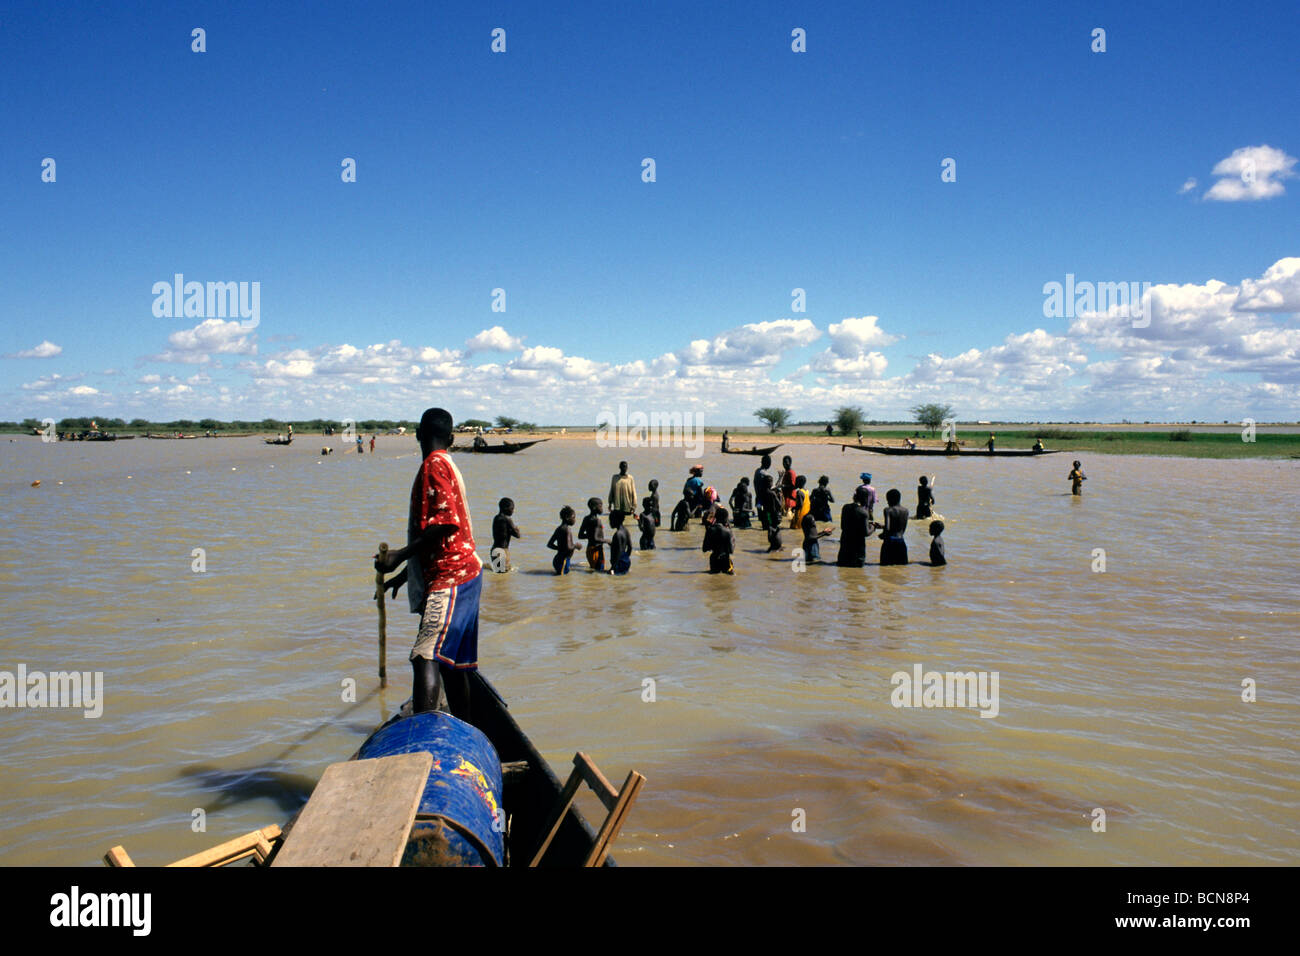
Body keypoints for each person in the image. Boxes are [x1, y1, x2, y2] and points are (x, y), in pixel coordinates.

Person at [373, 407, 482, 719]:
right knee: (453, 665)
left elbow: (445, 525)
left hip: (452, 575)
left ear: (418, 434)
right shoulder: (447, 462)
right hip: (467, 572)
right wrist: (406, 575)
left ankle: (423, 735)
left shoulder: (433, 466)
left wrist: (400, 555)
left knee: (424, 656)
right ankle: (465, 726)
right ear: (451, 438)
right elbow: (443, 534)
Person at [836, 487, 872, 568]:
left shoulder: (845, 508)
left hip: (845, 545)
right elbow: (866, 533)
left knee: (843, 571)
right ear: (865, 498)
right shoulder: (864, 512)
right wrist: (873, 527)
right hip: (858, 549)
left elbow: (842, 526)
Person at [879, 489, 909, 565]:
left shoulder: (888, 510)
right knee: (901, 568)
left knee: (885, 568)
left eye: (887, 500)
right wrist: (883, 526)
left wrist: (882, 535)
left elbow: (888, 528)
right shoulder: (906, 510)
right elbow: (902, 528)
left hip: (889, 541)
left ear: (890, 499)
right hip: (901, 541)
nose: (887, 502)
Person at [490, 497, 520, 572]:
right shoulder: (507, 519)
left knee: (498, 574)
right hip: (502, 551)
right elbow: (518, 535)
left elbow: (502, 532)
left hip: (494, 549)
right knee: (503, 576)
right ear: (506, 508)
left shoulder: (496, 518)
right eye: (512, 508)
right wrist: (516, 529)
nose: (513, 511)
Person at [703, 507, 735, 574]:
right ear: (726, 518)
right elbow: (731, 550)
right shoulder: (728, 531)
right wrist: (730, 530)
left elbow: (704, 549)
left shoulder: (709, 530)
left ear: (716, 518)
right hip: (725, 559)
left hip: (714, 559)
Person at [546, 506, 577, 574]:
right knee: (562, 581)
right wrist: (576, 546)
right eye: (573, 517)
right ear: (567, 518)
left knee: (561, 580)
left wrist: (560, 549)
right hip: (563, 561)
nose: (575, 520)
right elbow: (569, 547)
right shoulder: (567, 530)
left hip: (559, 559)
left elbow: (549, 544)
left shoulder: (559, 529)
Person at [578, 498, 606, 570]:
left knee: (593, 570)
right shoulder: (597, 521)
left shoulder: (586, 518)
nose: (602, 509)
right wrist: (608, 541)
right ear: (594, 507)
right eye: (600, 506)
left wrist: (590, 536)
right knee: (599, 572)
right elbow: (596, 538)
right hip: (597, 550)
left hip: (589, 550)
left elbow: (580, 535)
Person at [753, 455, 777, 532]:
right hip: (764, 500)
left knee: (762, 519)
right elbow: (771, 487)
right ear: (768, 463)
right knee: (768, 520)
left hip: (758, 499)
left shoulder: (757, 471)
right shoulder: (764, 474)